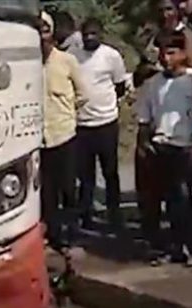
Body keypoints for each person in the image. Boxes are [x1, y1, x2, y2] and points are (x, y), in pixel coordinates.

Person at [136, 31, 192, 265]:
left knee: (185, 201)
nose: (166, 58)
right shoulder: (153, 84)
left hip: (186, 148)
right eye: (162, 53)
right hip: (160, 148)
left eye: (171, 52)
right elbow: (145, 119)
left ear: (183, 54)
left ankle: (190, 248)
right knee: (162, 200)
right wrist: (144, 145)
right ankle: (168, 248)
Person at [70, 18, 128, 232]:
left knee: (110, 172)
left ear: (101, 34)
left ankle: (115, 215)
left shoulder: (111, 56)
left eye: (94, 33)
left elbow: (119, 86)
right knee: (85, 175)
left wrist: (106, 105)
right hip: (81, 125)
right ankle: (85, 215)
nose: (90, 37)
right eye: (86, 34)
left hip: (106, 123)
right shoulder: (73, 57)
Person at [39, 11, 89, 254]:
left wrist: (67, 114)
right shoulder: (27, 65)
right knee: (46, 191)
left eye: (44, 30)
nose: (41, 36)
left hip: (64, 135)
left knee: (68, 187)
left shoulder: (67, 61)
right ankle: (54, 234)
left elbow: (83, 95)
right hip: (39, 139)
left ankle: (73, 235)